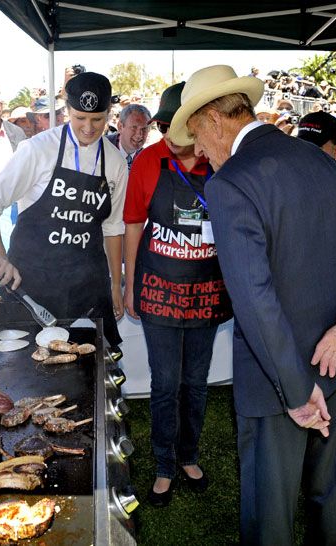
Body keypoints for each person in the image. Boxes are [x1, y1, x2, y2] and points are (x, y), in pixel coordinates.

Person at [169, 65, 336, 545]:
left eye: (196, 138)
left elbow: (254, 298)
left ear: (212, 119)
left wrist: (295, 390)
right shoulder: (326, 164)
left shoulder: (230, 185)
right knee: (332, 508)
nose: (199, 151)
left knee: (271, 523)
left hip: (278, 385)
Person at [123, 82, 232, 507]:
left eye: (174, 125)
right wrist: (131, 284)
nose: (168, 135)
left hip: (206, 290)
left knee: (196, 381)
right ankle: (164, 464)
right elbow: (134, 223)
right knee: (165, 382)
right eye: (162, 126)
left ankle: (190, 456)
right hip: (160, 290)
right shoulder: (149, 162)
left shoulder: (220, 162)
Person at [0, 72, 127, 349]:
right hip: (31, 288)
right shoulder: (37, 150)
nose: (89, 128)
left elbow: (113, 228)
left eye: (98, 120)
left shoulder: (115, 161)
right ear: (67, 111)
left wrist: (115, 285)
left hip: (87, 290)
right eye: (80, 118)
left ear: (109, 114)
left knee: (89, 371)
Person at [106, 103, 151, 168]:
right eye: (134, 127)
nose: (139, 135)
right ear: (120, 127)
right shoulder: (100, 148)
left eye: (144, 129)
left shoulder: (148, 159)